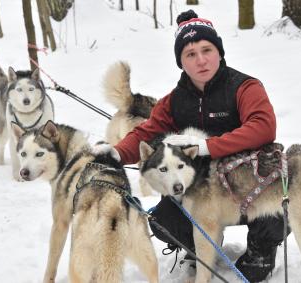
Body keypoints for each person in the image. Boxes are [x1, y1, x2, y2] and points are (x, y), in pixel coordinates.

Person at [99, 10, 289, 282]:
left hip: (249, 185)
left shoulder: (244, 87)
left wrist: (207, 147)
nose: (201, 60)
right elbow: (146, 132)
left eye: (206, 50)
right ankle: (200, 244)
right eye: (190, 54)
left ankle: (261, 248)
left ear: (219, 52)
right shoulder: (174, 101)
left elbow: (263, 126)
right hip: (201, 192)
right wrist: (117, 152)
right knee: (165, 220)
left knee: (279, 207)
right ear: (181, 62)